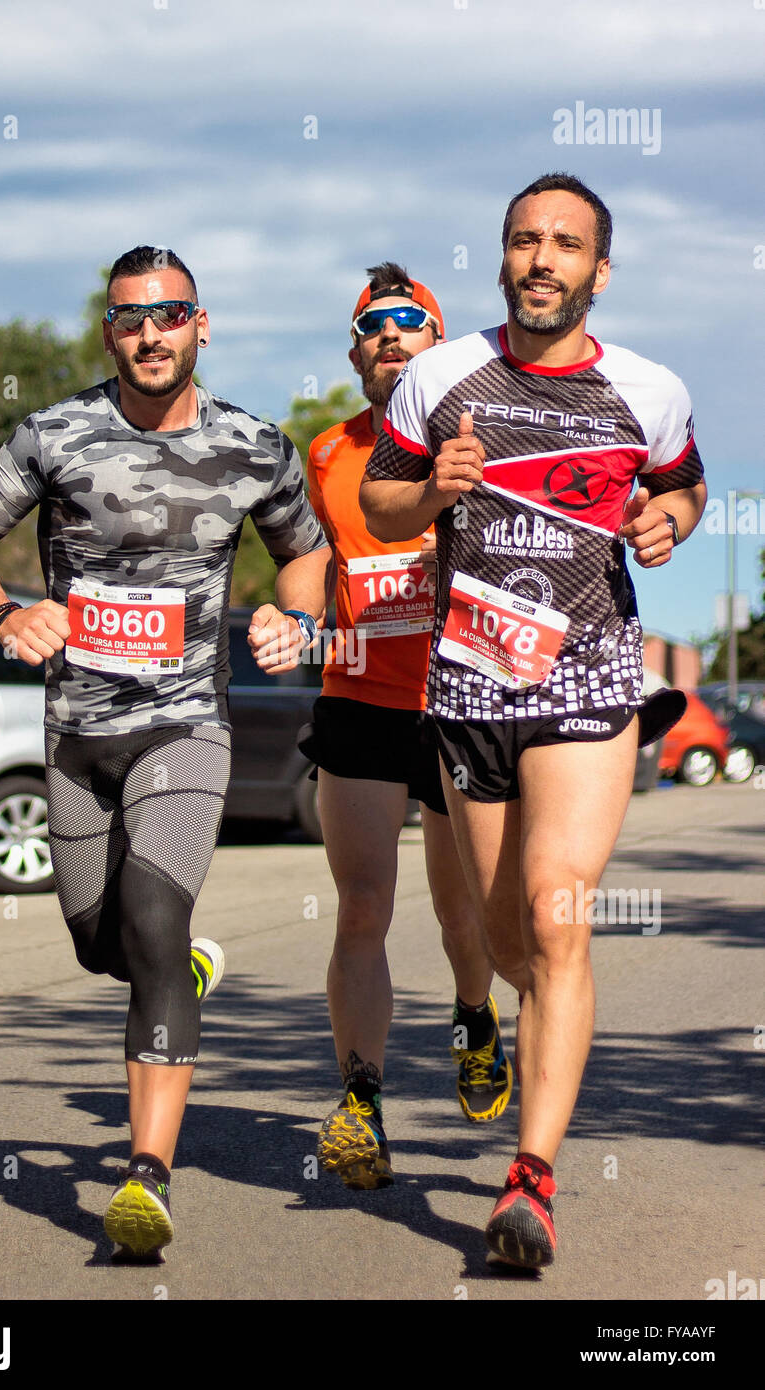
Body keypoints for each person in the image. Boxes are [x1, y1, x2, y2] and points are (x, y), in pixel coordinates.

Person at [0, 246, 330, 1258]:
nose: (149, 333)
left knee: (154, 915)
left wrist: (296, 617)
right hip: (78, 732)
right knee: (101, 939)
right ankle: (177, 967)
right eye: (129, 318)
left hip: (188, 719)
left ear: (204, 324)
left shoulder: (253, 444)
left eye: (170, 314)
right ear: (109, 331)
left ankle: (145, 1173)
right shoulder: (54, 434)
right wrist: (3, 610)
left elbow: (309, 550)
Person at [360, 175, 707, 1266]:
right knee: (508, 936)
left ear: (599, 271)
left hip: (590, 679)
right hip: (470, 684)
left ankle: (530, 1182)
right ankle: (521, 1020)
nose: (541, 259)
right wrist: (432, 492)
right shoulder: (440, 378)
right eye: (523, 241)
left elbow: (686, 486)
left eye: (565, 245)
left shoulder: (648, 391)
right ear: (502, 258)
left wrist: (669, 521)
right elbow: (380, 503)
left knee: (561, 918)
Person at [301, 263, 511, 1193]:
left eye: (410, 324)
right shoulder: (326, 454)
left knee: (461, 909)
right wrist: (294, 614)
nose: (391, 337)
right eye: (374, 327)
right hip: (358, 700)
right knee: (361, 907)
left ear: (439, 343)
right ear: (356, 353)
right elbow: (311, 561)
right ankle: (361, 1102)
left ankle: (474, 1016)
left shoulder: (479, 439)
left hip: (458, 703)